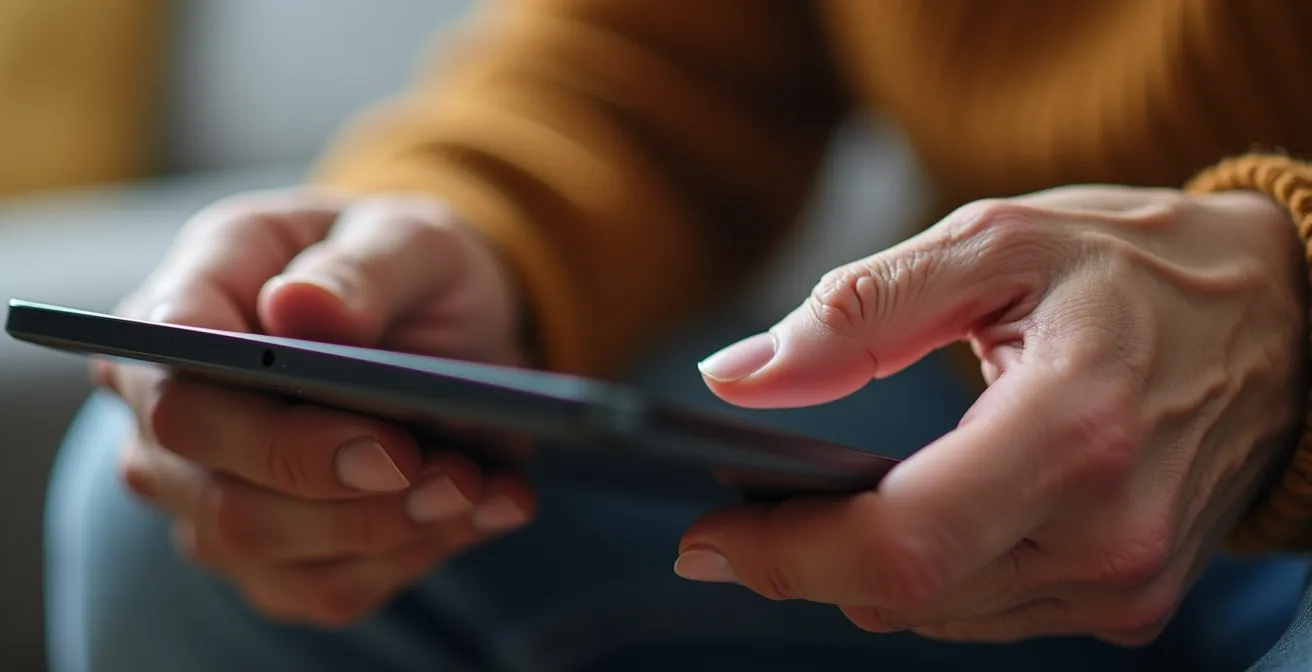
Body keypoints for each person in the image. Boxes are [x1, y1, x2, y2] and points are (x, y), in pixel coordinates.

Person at [42, 2, 1312, 670]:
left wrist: (1283, 298)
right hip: (991, 391)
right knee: (158, 506)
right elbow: (664, 49)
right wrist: (470, 229)